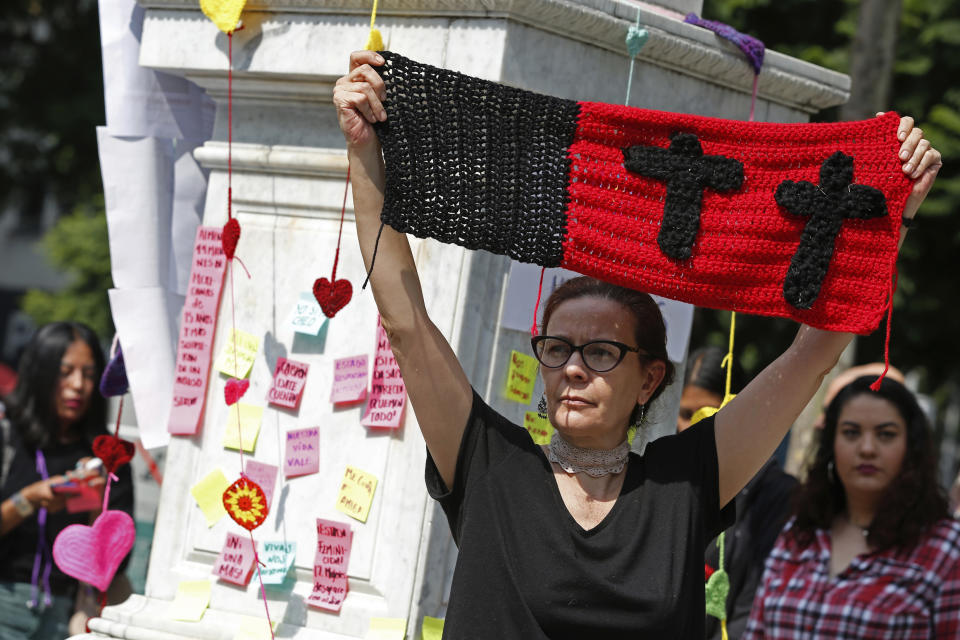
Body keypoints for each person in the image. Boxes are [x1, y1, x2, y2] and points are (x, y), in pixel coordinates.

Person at [333, 50, 941, 638]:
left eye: (600, 353)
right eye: (557, 348)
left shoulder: (687, 481)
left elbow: (811, 357)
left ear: (650, 378)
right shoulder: (489, 464)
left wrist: (894, 217)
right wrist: (364, 150)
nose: (572, 368)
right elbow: (406, 322)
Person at [744, 376, 960, 638]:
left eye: (886, 435)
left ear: (911, 447)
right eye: (851, 432)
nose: (867, 448)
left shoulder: (946, 548)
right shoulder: (799, 533)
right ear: (831, 445)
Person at [0, 322, 134, 639]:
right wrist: (28, 499)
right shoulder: (7, 435)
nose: (78, 385)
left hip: (67, 614)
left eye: (89, 374)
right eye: (65, 371)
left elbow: (113, 563)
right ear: (40, 373)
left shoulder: (106, 455)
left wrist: (96, 502)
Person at [677, 346, 797, 640]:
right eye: (684, 413)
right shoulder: (664, 476)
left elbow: (755, 607)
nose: (691, 425)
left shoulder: (777, 495)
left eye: (707, 412)